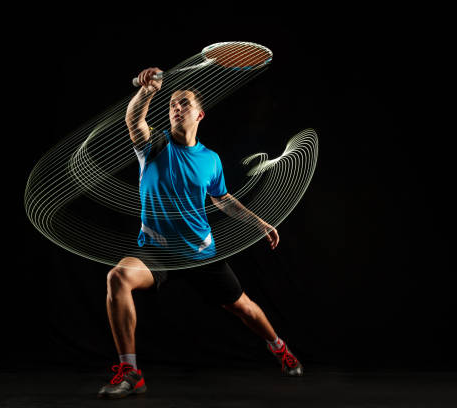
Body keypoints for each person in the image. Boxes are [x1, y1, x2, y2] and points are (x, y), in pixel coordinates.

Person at [97, 67, 303, 399]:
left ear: (200, 114)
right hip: (157, 250)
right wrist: (148, 91)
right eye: (173, 104)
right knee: (118, 278)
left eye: (184, 104)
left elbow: (223, 200)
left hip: (200, 253)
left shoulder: (211, 160)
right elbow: (134, 121)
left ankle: (279, 347)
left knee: (244, 308)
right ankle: (132, 373)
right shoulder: (154, 145)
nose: (177, 108)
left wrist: (261, 223)